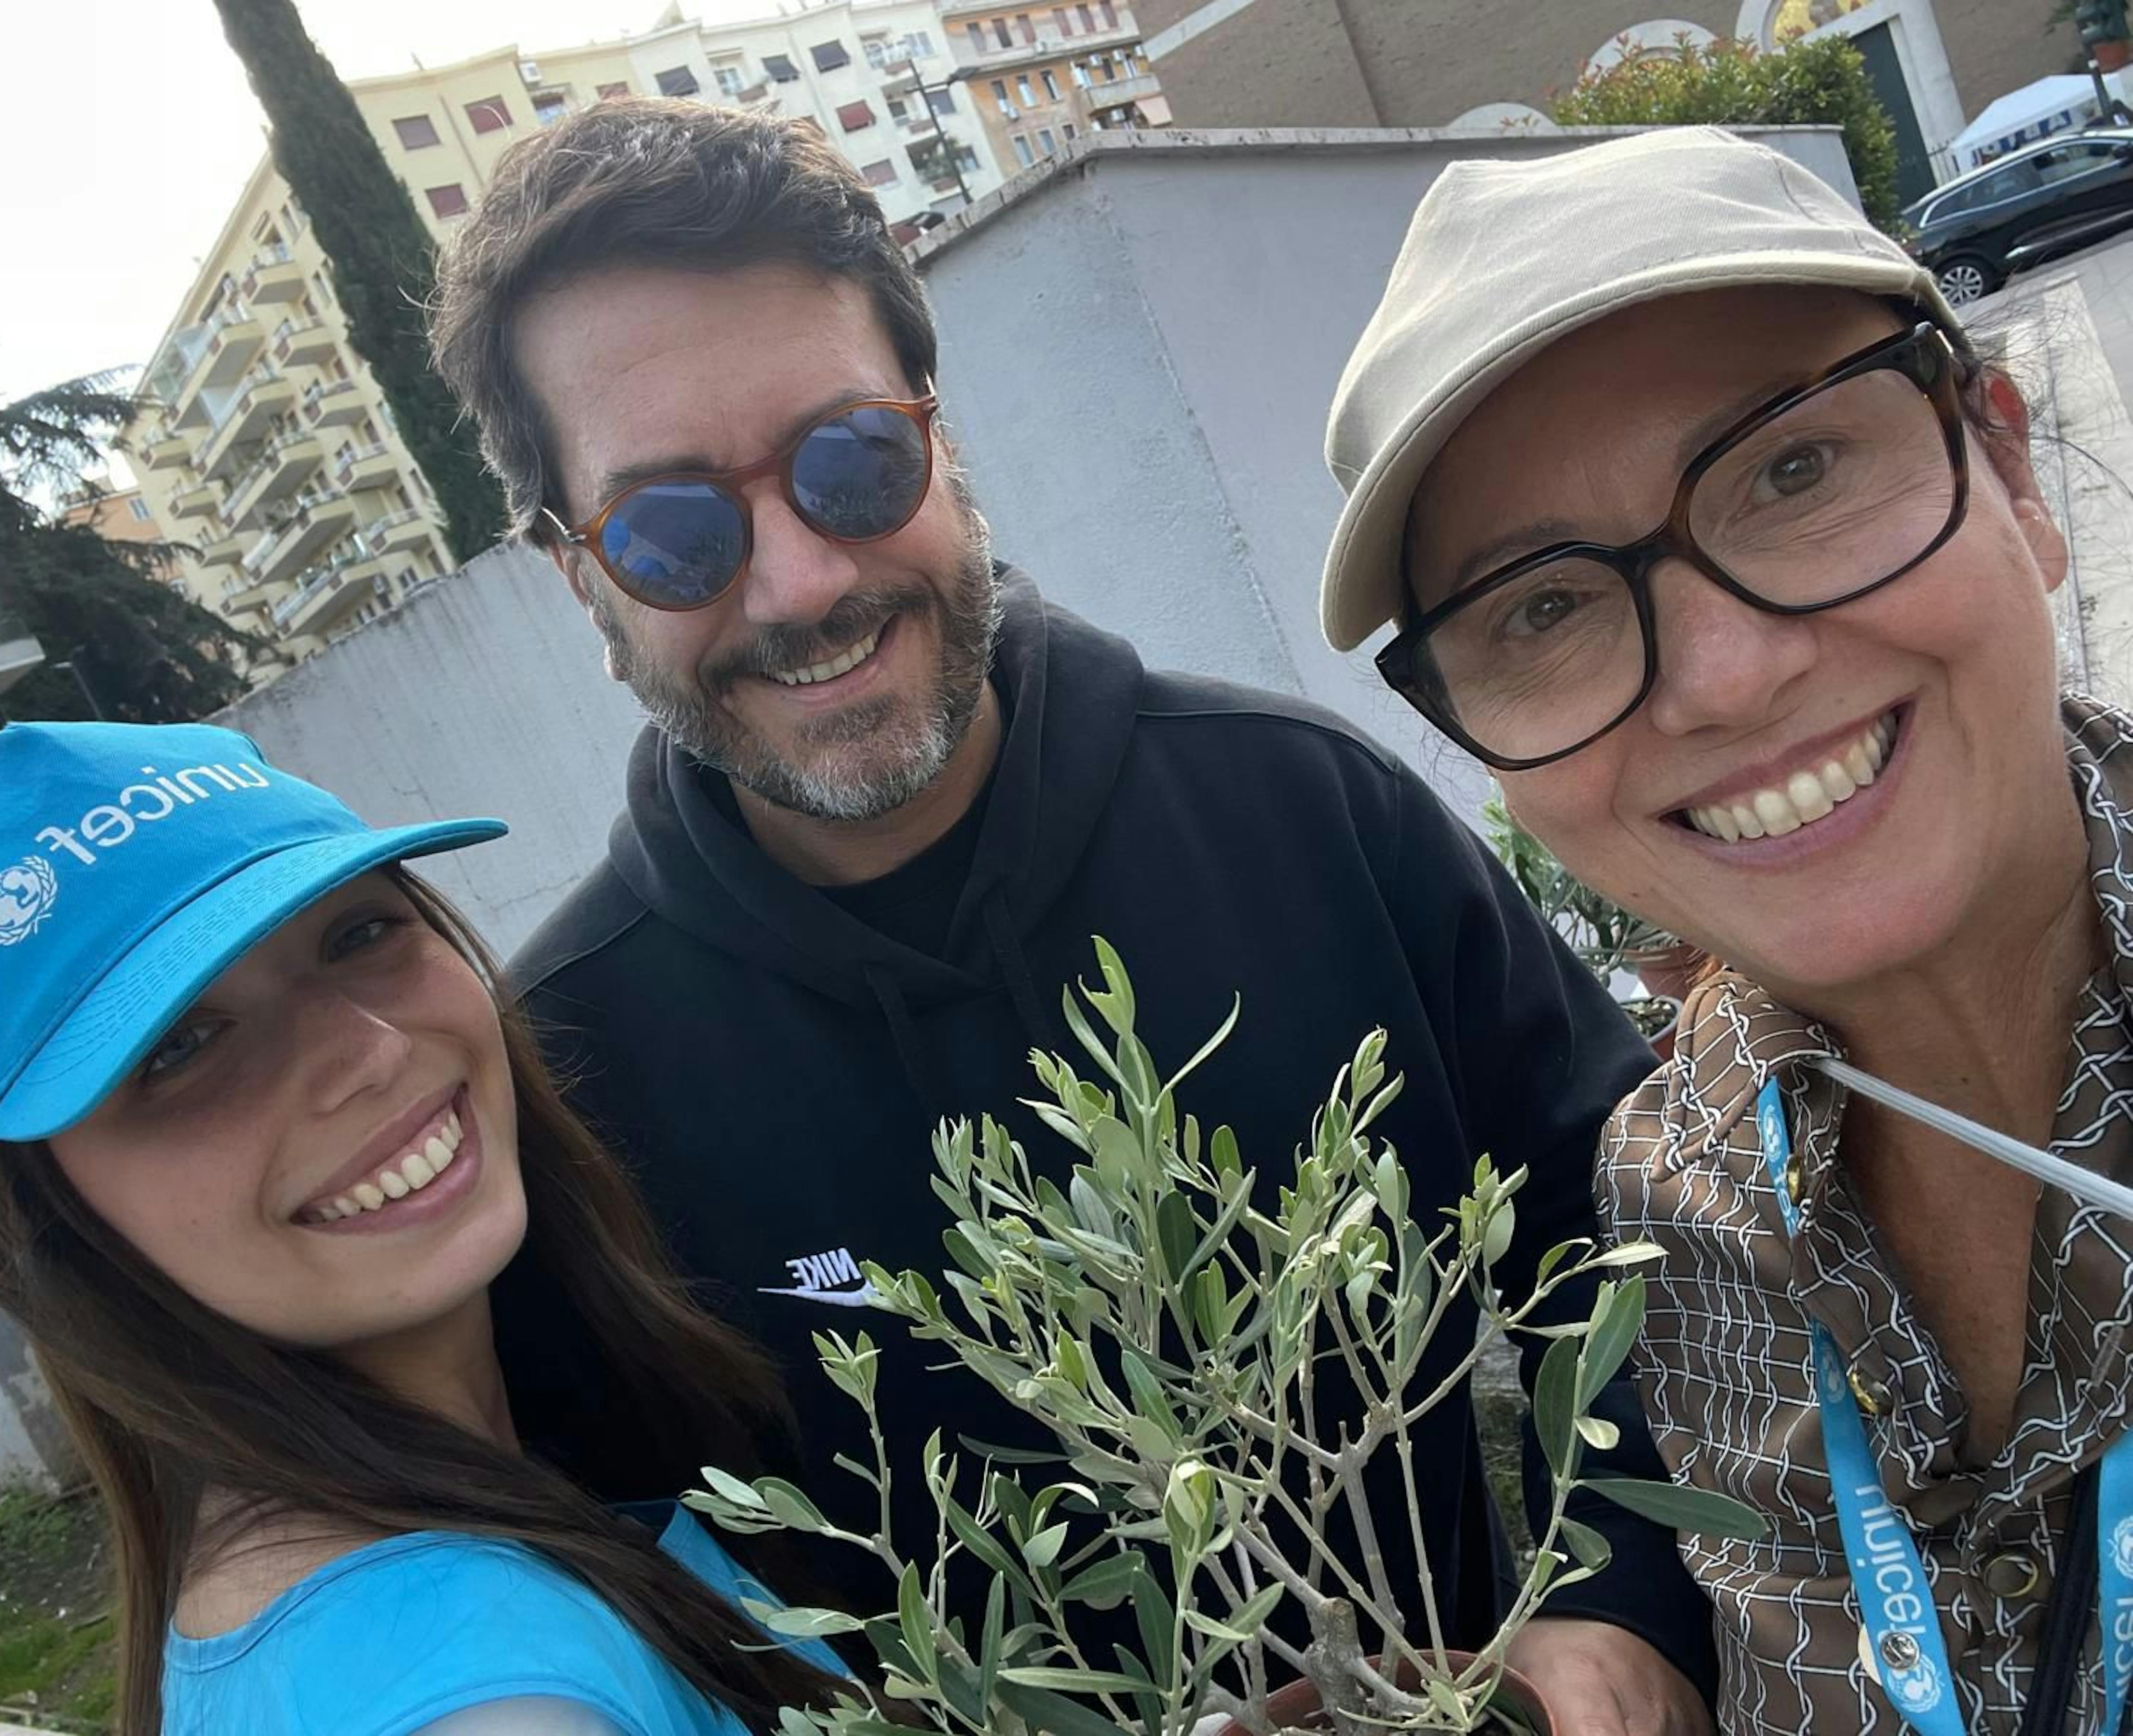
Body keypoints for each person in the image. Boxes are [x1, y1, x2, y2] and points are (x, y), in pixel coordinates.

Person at [429, 97, 1718, 1732]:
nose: (802, 583)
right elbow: (611, 1589)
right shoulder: (565, 1079)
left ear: (942, 439)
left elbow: (1645, 1238)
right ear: (580, 577)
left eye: (850, 461)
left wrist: (1620, 1612)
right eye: (672, 530)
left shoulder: (1310, 815)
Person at [1320, 125, 2133, 1734]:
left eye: (1793, 469)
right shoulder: (1673, 1197)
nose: (1723, 677)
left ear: (2012, 469)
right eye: (1543, 607)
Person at [0, 720, 842, 1736]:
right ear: (33, 1244)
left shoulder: (501, 1470)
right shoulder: (478, 1692)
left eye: (359, 934)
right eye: (180, 1046)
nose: (367, 1053)